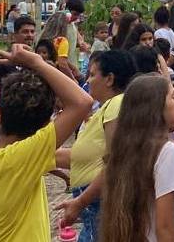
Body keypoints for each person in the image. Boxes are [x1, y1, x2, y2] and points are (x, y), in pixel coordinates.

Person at [0, 43, 93, 241]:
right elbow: (82, 102)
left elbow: (67, 157)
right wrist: (35, 62)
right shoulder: (22, 158)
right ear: (45, 126)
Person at [55, 50, 138, 242]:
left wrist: (81, 202)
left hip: (97, 200)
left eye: (92, 75)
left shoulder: (115, 106)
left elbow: (115, 161)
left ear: (109, 79)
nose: (88, 80)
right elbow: (82, 155)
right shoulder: (106, 108)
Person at [99, 73, 174, 242]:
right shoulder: (168, 152)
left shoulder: (128, 149)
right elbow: (165, 227)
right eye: (173, 97)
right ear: (156, 107)